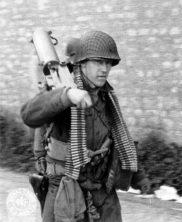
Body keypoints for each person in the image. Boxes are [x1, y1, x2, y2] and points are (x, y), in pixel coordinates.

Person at [21, 30, 150, 222]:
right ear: (82, 62)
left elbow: (120, 141)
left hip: (101, 190)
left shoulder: (107, 98)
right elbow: (28, 115)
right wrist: (66, 96)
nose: (104, 69)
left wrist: (139, 177)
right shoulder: (63, 91)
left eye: (108, 63)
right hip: (65, 191)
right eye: (98, 62)